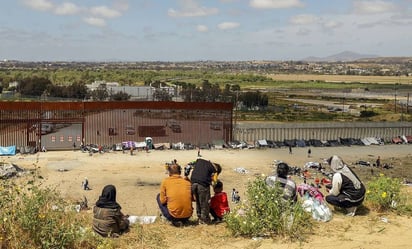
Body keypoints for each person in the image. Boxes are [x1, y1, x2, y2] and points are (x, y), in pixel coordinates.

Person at [190, 158, 222, 224]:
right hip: (202, 185)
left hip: (193, 182)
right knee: (204, 203)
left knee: (198, 201)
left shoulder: (200, 161)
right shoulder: (214, 169)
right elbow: (214, 181)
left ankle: (199, 218)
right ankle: (205, 219)